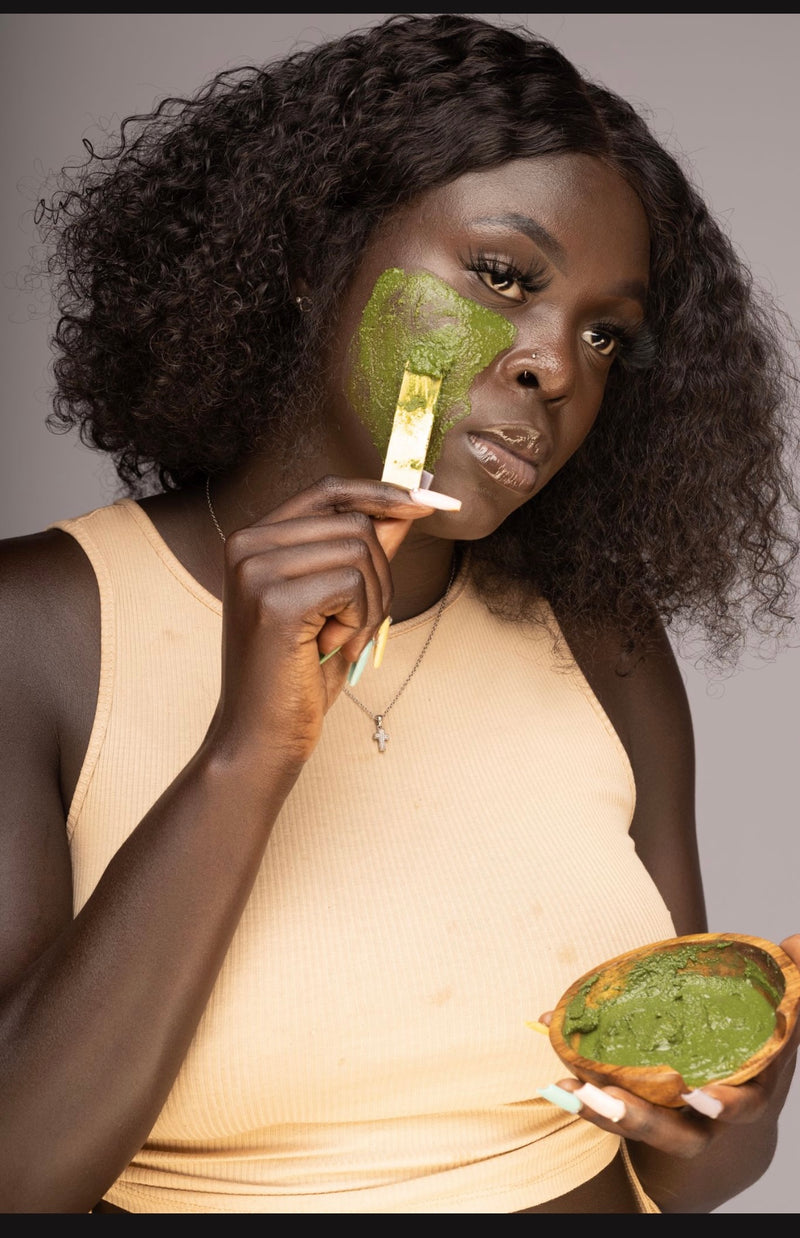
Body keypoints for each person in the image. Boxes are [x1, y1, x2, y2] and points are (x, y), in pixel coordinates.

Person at [1, 11, 799, 1215]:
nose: (554, 366)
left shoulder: (600, 635)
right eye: (502, 276)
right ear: (313, 257)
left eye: (602, 333)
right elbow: (19, 1172)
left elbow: (681, 1175)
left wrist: (730, 1104)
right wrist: (246, 753)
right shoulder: (37, 628)